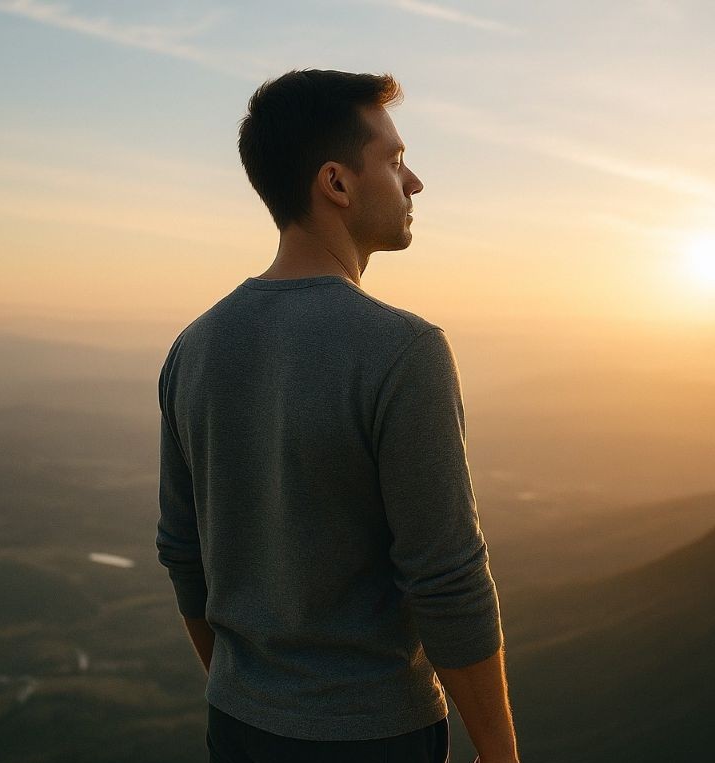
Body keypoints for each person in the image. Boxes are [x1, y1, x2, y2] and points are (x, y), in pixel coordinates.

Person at [156, 68, 520, 763]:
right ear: (337, 183)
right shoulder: (402, 349)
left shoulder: (192, 347)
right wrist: (501, 754)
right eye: (394, 159)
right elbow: (445, 576)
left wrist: (253, 693)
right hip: (375, 735)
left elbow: (182, 551)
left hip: (236, 725)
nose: (413, 183)